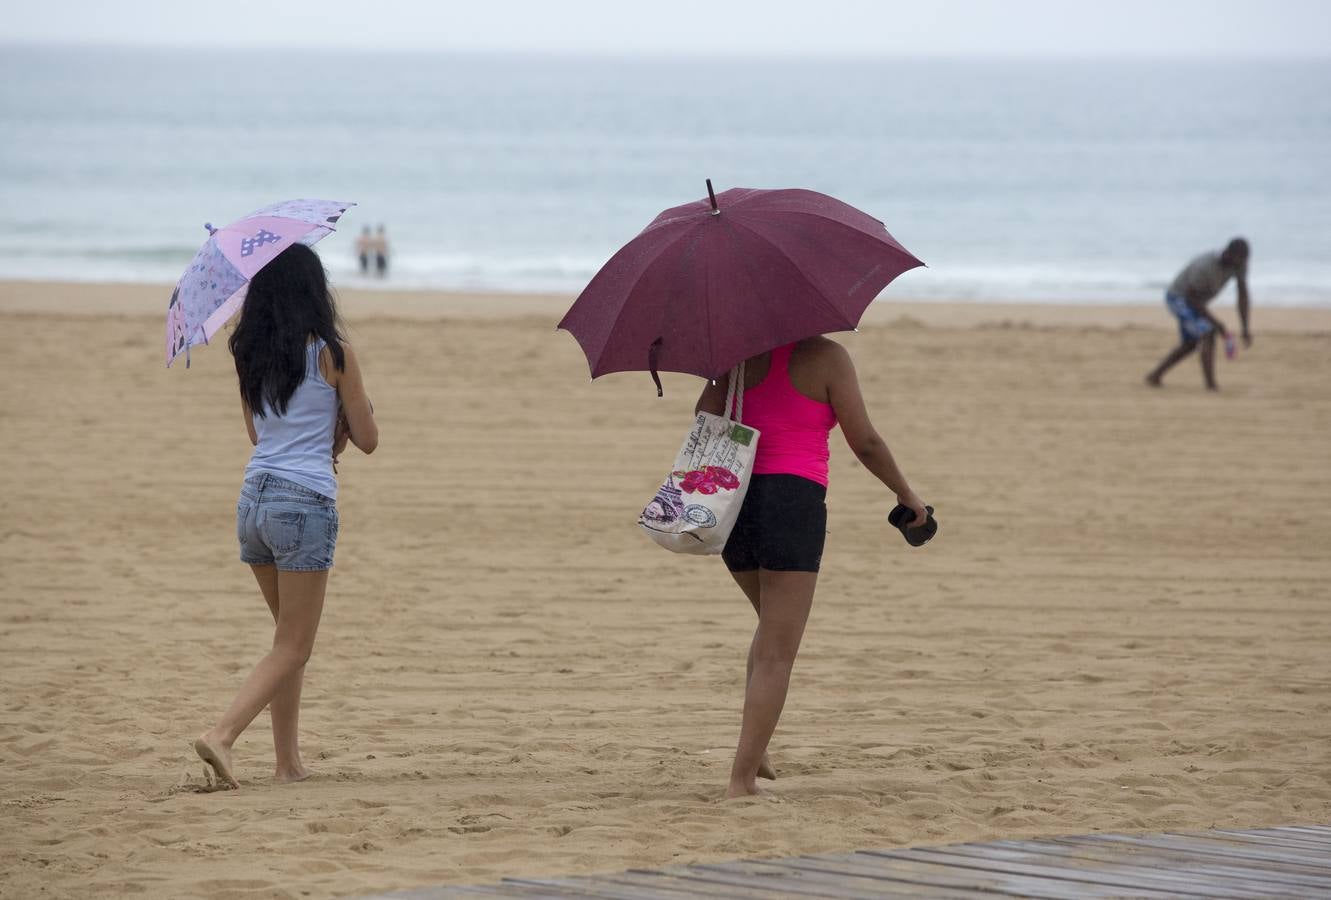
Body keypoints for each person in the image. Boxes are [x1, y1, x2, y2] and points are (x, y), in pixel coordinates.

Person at [695, 337, 927, 799]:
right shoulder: (827, 357)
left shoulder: (734, 358)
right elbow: (865, 441)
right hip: (792, 503)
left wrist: (730, 376)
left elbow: (703, 421)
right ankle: (741, 782)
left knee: (770, 632)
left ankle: (755, 751)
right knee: (779, 651)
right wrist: (906, 494)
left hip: (733, 503)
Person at [193, 243, 378, 788]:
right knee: (295, 645)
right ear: (313, 290)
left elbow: (259, 435)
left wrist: (326, 440)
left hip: (254, 499)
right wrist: (345, 426)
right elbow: (368, 440)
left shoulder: (247, 349)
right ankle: (222, 735)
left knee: (285, 643)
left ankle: (287, 764)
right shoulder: (333, 353)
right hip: (302, 504)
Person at [1146, 238, 1252, 391]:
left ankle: (1155, 375)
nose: (1242, 264)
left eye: (1244, 260)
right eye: (1239, 259)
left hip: (1195, 301)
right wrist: (1217, 323)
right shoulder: (1205, 267)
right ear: (1229, 254)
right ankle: (1211, 385)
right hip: (1178, 298)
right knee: (1207, 332)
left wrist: (1245, 328)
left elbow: (1242, 296)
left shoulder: (1239, 265)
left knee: (1191, 344)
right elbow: (1191, 299)